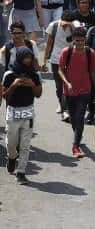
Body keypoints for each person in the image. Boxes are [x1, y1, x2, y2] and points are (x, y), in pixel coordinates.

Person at [2, 46, 42, 183]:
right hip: (13, 112)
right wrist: (14, 85)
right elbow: (5, 96)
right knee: (11, 142)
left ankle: (21, 172)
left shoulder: (34, 75)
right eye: (25, 58)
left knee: (25, 145)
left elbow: (38, 94)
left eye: (30, 58)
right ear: (19, 58)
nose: (27, 61)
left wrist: (32, 85)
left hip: (28, 113)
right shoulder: (9, 75)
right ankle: (12, 157)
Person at [58, 26, 95, 158]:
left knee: (80, 117)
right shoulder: (67, 51)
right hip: (69, 91)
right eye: (77, 40)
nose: (80, 43)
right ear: (73, 40)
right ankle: (78, 135)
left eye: (82, 40)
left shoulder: (90, 52)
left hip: (85, 90)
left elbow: (93, 72)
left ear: (85, 40)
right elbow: (60, 70)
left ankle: (75, 145)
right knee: (74, 119)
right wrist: (67, 82)